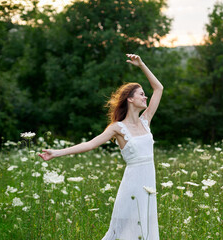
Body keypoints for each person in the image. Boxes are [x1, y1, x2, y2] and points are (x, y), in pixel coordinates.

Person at [38, 54, 163, 240]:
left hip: (148, 185)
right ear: (129, 99)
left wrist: (142, 65)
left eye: (145, 94)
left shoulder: (146, 121)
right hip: (132, 185)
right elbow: (90, 144)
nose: (145, 97)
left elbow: (159, 88)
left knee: (145, 229)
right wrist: (57, 152)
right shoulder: (117, 128)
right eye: (141, 94)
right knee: (124, 231)